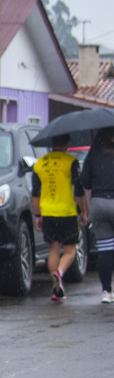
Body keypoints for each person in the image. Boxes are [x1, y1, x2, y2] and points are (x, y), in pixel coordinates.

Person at [31, 133, 87, 301]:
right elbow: (78, 190)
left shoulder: (40, 164)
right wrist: (83, 212)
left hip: (47, 211)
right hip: (67, 211)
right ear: (67, 144)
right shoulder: (71, 162)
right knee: (70, 250)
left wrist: (37, 214)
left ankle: (55, 289)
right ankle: (59, 273)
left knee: (53, 248)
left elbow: (35, 192)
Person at [80, 127, 114, 304]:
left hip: (99, 204)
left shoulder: (93, 155)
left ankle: (106, 291)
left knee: (105, 249)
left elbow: (84, 181)